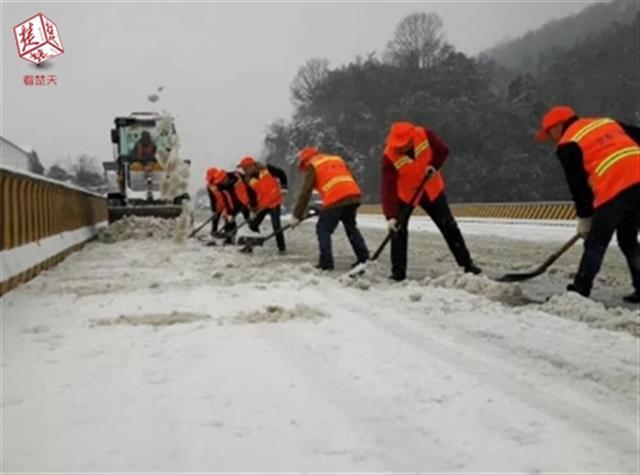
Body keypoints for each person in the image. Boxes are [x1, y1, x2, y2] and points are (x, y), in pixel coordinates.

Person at [535, 105, 640, 303]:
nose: (551, 139)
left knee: (596, 242)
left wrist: (585, 217)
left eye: (549, 133)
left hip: (615, 186)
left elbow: (579, 187)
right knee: (628, 239)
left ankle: (580, 291)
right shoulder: (607, 122)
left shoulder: (568, 144)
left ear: (558, 127)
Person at [382, 121, 481, 281]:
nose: (400, 148)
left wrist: (433, 166)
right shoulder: (388, 156)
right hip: (406, 195)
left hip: (430, 188)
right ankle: (398, 273)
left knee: (448, 226)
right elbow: (388, 187)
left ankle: (467, 264)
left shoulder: (424, 134)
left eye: (404, 145)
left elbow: (443, 151)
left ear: (411, 139)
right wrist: (391, 216)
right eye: (398, 146)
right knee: (398, 232)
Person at [291, 147, 369, 270]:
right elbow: (351, 177)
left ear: (306, 161)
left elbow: (305, 192)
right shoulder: (336, 159)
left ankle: (326, 263)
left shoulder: (313, 165)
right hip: (353, 194)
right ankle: (364, 257)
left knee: (323, 228)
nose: (305, 170)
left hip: (336, 198)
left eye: (304, 167)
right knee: (350, 226)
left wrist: (296, 215)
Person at [238, 156, 288, 253]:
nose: (244, 171)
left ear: (251, 166)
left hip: (274, 201)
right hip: (263, 204)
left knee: (277, 227)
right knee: (252, 224)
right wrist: (253, 207)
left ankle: (282, 249)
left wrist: (284, 187)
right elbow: (251, 195)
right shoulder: (247, 180)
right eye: (243, 169)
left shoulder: (267, 169)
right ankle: (257, 238)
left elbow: (281, 173)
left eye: (245, 168)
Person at [211, 168, 253, 242]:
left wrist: (253, 202)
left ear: (225, 178)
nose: (221, 183)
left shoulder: (237, 176)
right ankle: (229, 238)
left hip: (246, 202)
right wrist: (229, 213)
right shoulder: (221, 187)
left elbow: (249, 186)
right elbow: (226, 201)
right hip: (234, 205)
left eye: (221, 181)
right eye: (220, 182)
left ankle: (254, 231)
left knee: (250, 220)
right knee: (228, 219)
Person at [205, 167, 233, 237]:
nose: (212, 180)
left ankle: (229, 234)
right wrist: (214, 210)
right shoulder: (209, 186)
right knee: (215, 218)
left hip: (226, 203)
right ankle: (214, 232)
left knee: (227, 218)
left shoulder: (222, 182)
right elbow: (212, 199)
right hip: (218, 204)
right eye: (210, 178)